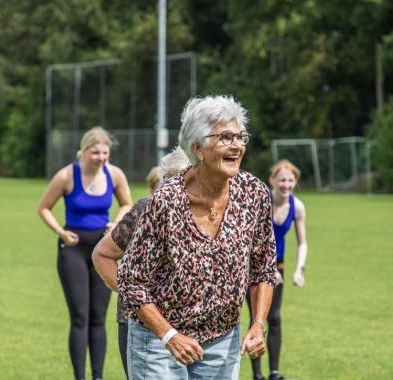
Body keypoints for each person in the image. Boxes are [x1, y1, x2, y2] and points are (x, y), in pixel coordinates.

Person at [117, 95, 278, 380]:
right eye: (225, 138)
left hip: (223, 340)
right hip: (159, 342)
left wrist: (258, 323)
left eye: (240, 137)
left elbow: (264, 267)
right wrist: (169, 336)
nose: (237, 146)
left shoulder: (255, 194)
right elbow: (131, 279)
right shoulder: (167, 200)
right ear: (198, 148)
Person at [38, 126, 133, 380]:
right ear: (84, 151)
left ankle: (98, 376)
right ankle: (80, 377)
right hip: (73, 249)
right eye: (96, 152)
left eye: (105, 152)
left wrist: (117, 223)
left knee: (98, 317)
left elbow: (127, 204)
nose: (101, 157)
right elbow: (44, 208)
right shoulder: (67, 176)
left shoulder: (114, 175)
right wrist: (60, 232)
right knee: (80, 317)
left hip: (102, 251)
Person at [92, 146, 191, 379]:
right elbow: (102, 254)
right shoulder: (145, 209)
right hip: (138, 322)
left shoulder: (212, 210)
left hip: (190, 324)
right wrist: (135, 296)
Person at [247, 159, 308, 380]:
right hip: (253, 268)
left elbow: (302, 242)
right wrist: (265, 268)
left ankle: (274, 373)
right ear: (272, 180)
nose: (286, 184)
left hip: (278, 268)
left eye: (291, 180)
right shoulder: (261, 204)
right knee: (257, 316)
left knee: (274, 317)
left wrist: (299, 270)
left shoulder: (297, 206)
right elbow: (250, 239)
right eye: (282, 179)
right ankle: (257, 375)